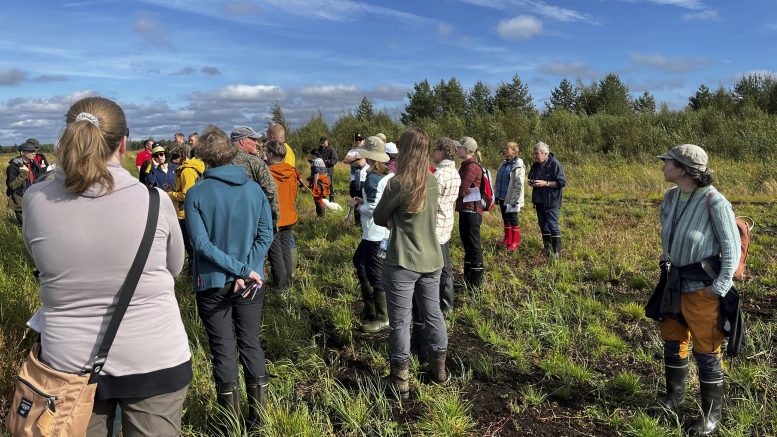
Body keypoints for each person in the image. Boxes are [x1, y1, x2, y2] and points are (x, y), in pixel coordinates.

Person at [22, 96, 191, 436]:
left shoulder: (36, 200)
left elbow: (40, 261)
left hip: (69, 367)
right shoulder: (155, 202)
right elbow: (174, 267)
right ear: (124, 143)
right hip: (154, 357)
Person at [184, 126, 273, 429]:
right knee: (250, 343)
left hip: (213, 282)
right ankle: (259, 423)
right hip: (251, 281)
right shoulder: (254, 189)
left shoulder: (196, 193)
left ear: (204, 156)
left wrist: (238, 270)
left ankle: (230, 425)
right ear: (232, 152)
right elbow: (266, 235)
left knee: (223, 349)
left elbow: (201, 244)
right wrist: (247, 269)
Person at [654, 144, 740, 436]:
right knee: (673, 341)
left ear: (683, 169)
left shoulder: (715, 202)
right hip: (673, 285)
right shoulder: (670, 197)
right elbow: (668, 230)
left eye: (668, 162)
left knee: (706, 351)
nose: (663, 166)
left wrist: (719, 286)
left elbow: (732, 247)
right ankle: (675, 399)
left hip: (703, 290)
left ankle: (710, 416)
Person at [373, 128, 447, 399]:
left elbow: (379, 217)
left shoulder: (397, 183)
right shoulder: (432, 182)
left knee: (400, 322)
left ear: (403, 151)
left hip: (402, 261)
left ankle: (400, 380)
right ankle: (439, 370)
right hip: (432, 259)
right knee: (433, 314)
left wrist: (395, 220)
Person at [347, 136, 393, 333]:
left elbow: (374, 208)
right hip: (384, 232)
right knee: (360, 262)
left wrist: (357, 205)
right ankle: (371, 308)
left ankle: (383, 317)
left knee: (373, 271)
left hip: (374, 232)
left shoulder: (373, 178)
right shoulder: (389, 175)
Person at [431, 137, 461, 312]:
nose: (433, 153)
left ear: (442, 152)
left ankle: (445, 304)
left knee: (441, 266)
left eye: (435, 150)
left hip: (436, 223)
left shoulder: (439, 175)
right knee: (445, 262)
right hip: (447, 220)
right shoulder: (454, 172)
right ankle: (446, 302)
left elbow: (431, 202)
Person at [266, 139, 300, 290]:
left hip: (275, 218)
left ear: (271, 154)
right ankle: (288, 282)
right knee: (285, 249)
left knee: (275, 253)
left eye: (267, 152)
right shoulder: (292, 172)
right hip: (289, 216)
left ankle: (280, 286)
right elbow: (294, 193)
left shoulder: (267, 174)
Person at [230, 126, 280, 227]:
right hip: (252, 223)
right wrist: (273, 220)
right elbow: (270, 191)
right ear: (243, 142)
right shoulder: (255, 162)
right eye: (254, 139)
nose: (257, 143)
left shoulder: (218, 162)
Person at [527, 141, 566, 258]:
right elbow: (531, 177)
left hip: (551, 200)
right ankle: (547, 250)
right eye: (533, 154)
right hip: (539, 200)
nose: (534, 156)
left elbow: (562, 182)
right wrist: (531, 182)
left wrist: (546, 183)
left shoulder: (555, 164)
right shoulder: (535, 165)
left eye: (536, 153)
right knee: (543, 225)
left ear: (545, 153)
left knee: (553, 225)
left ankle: (557, 252)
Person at [455, 136, 484, 288]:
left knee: (473, 246)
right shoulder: (466, 165)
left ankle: (476, 285)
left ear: (466, 150)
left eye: (459, 147)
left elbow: (462, 189)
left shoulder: (472, 167)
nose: (456, 149)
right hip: (466, 210)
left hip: (471, 211)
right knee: (468, 246)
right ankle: (468, 280)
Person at [168, 147, 205, 262]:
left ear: (181, 156)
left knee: (189, 245)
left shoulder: (186, 171)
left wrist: (170, 194)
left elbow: (187, 195)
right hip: (186, 212)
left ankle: (194, 271)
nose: (171, 160)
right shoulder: (187, 169)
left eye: (174, 157)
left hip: (185, 213)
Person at [494, 142, 525, 251]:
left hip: (511, 198)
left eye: (507, 149)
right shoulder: (504, 163)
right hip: (502, 196)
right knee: (505, 218)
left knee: (513, 219)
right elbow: (498, 179)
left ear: (514, 151)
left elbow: (519, 184)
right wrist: (496, 195)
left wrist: (515, 200)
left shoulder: (517, 165)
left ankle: (515, 242)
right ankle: (507, 239)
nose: (505, 151)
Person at [6, 142, 43, 225]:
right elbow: (12, 185)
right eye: (30, 151)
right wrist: (23, 173)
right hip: (20, 199)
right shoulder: (13, 167)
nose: (34, 153)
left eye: (34, 151)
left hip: (32, 197)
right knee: (24, 225)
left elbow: (38, 178)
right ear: (22, 153)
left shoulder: (33, 164)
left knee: (34, 223)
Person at [343, 133, 368, 227]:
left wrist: (352, 161)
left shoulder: (367, 151)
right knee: (355, 200)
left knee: (364, 201)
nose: (358, 142)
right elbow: (345, 160)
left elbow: (361, 163)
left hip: (363, 180)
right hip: (353, 181)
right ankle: (357, 224)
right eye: (356, 140)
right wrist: (356, 158)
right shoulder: (352, 151)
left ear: (364, 141)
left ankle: (364, 223)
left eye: (360, 140)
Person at [307, 151, 330, 218]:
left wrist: (314, 185)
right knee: (322, 200)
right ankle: (322, 216)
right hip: (324, 184)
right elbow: (326, 174)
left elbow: (316, 175)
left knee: (318, 201)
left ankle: (320, 216)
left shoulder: (315, 163)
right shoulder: (322, 163)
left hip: (318, 185)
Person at [317, 136, 338, 202]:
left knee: (329, 185)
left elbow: (335, 160)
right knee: (321, 185)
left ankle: (332, 201)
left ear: (327, 141)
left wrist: (326, 162)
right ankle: (323, 201)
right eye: (321, 143)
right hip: (320, 171)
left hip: (328, 170)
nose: (322, 144)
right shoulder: (319, 149)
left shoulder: (331, 149)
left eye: (323, 143)